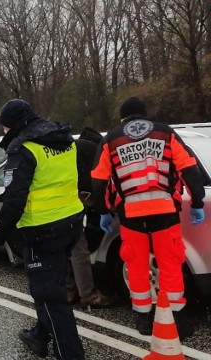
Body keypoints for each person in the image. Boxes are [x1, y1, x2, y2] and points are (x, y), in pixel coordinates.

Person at [91, 97, 205, 338]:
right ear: (145, 115)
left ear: (123, 118)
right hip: (165, 212)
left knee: (137, 265)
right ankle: (178, 319)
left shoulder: (111, 139)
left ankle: (143, 319)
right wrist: (196, 202)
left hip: (131, 215)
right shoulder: (165, 133)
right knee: (170, 264)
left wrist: (103, 210)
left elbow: (98, 181)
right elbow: (189, 169)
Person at [0, 99, 85, 359]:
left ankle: (71, 355)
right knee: (51, 284)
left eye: (4, 128)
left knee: (49, 297)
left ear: (12, 125)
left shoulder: (24, 148)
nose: (4, 132)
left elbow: (14, 198)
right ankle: (40, 335)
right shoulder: (62, 139)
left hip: (42, 231)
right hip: (71, 223)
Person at [66, 127, 113, 308]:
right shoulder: (91, 149)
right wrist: (101, 207)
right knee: (79, 250)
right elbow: (95, 180)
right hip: (74, 202)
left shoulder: (67, 148)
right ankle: (88, 294)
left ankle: (69, 291)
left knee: (65, 249)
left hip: (58, 207)